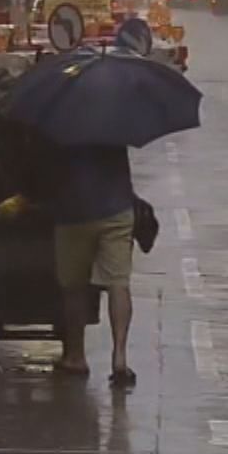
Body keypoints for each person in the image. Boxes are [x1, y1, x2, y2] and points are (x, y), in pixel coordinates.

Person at [39, 143, 139, 387]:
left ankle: (76, 356)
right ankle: (120, 357)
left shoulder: (59, 119)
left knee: (74, 286)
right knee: (119, 283)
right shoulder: (117, 114)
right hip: (117, 208)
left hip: (74, 212)